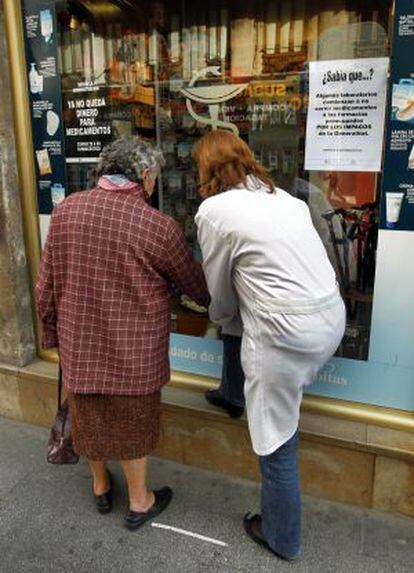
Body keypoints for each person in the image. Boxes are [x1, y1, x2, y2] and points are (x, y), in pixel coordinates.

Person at [36, 137, 209, 530]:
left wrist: (52, 336)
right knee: (134, 425)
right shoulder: (156, 226)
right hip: (135, 353)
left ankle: (100, 486)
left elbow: (44, 287)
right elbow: (195, 287)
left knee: (88, 418)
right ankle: (139, 501)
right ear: (145, 176)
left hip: (80, 345)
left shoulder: (65, 212)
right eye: (155, 179)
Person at [194, 130, 345, 560]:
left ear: (204, 169)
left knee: (276, 441)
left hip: (284, 336)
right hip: (329, 320)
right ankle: (230, 392)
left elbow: (220, 296)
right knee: (244, 317)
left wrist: (219, 317)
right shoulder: (287, 199)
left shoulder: (214, 211)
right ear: (246, 158)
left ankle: (281, 536)